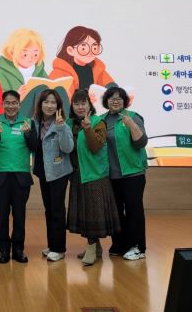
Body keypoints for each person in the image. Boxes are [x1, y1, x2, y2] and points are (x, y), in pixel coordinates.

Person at [67, 89, 120, 266]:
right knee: (85, 212)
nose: (80, 107)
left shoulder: (98, 122)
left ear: (90, 105)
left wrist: (88, 128)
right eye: (76, 103)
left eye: (83, 103)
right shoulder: (70, 124)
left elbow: (96, 146)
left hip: (94, 174)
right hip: (77, 174)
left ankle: (91, 248)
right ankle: (95, 248)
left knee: (93, 213)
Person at [0, 90, 36, 263]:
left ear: (19, 105)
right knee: (2, 215)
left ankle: (19, 249)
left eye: (14, 103)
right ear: (2, 104)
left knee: (20, 215)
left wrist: (28, 134)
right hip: (1, 176)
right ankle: (4, 250)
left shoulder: (28, 122)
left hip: (21, 176)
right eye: (7, 103)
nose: (11, 106)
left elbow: (34, 147)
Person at [97, 87, 148, 261]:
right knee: (116, 211)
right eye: (111, 98)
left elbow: (141, 142)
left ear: (125, 101)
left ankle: (137, 247)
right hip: (111, 175)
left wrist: (131, 125)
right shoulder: (101, 120)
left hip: (133, 173)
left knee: (134, 210)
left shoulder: (133, 117)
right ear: (106, 101)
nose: (115, 101)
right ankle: (120, 244)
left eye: (119, 98)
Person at [29, 89, 74, 262]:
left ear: (58, 106)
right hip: (43, 172)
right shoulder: (35, 123)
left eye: (53, 102)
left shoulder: (62, 124)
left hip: (59, 173)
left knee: (57, 210)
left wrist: (61, 129)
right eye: (46, 102)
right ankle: (52, 245)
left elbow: (68, 148)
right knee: (49, 209)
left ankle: (59, 248)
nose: (49, 105)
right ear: (40, 105)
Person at [49, 26, 117, 102]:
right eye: (83, 49)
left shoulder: (97, 68)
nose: (90, 52)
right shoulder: (59, 72)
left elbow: (110, 84)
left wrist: (117, 94)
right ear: (70, 50)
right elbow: (57, 99)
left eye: (94, 48)